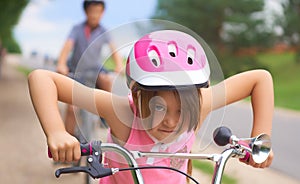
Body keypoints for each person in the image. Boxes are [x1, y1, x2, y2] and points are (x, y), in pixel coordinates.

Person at [28, 30, 274, 183]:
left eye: (182, 111)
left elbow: (260, 79)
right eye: (158, 108)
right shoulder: (122, 113)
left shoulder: (199, 106)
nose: (171, 121)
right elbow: (42, 78)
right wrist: (57, 132)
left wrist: (259, 142)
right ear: (137, 95)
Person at [56, 0, 123, 135]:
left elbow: (114, 50)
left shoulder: (104, 31)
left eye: (98, 12)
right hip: (77, 72)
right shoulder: (77, 29)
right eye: (92, 11)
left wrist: (119, 65)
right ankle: (67, 141)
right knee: (71, 109)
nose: (94, 15)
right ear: (86, 12)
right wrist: (61, 63)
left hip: (95, 71)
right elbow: (67, 46)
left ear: (102, 13)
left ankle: (106, 115)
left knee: (107, 82)